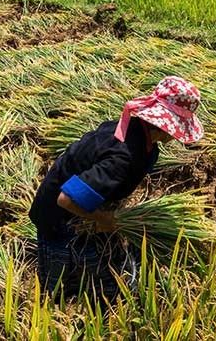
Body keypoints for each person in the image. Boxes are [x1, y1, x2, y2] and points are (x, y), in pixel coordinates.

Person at [29, 76, 204, 302]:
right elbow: (66, 199)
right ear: (164, 126)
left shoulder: (138, 134)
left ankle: (90, 293)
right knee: (61, 273)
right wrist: (103, 219)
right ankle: (57, 304)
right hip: (58, 214)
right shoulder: (124, 156)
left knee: (92, 258)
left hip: (84, 204)